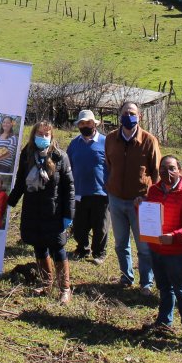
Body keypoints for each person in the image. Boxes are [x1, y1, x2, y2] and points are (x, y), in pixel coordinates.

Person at [8, 121, 76, 304]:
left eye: (47, 134)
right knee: (38, 245)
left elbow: (69, 187)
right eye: (40, 134)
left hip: (54, 212)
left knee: (58, 248)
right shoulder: (27, 154)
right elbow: (21, 182)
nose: (43, 137)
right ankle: (46, 284)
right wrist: (9, 203)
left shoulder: (60, 157)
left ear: (52, 136)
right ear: (33, 135)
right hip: (32, 210)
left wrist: (69, 215)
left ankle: (65, 289)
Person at [141, 155, 182, 347]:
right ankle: (164, 322)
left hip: (176, 251)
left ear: (180, 170)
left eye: (172, 168)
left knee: (181, 290)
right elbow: (147, 218)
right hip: (156, 249)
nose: (167, 172)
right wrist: (138, 207)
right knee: (164, 288)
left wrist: (173, 237)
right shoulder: (154, 190)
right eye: (163, 169)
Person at [105, 101, 161, 294]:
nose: (128, 116)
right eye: (125, 113)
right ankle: (126, 276)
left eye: (132, 113)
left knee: (144, 246)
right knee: (121, 243)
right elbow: (109, 165)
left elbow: (156, 173)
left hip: (140, 202)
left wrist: (148, 197)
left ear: (139, 116)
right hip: (116, 199)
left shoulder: (149, 140)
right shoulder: (111, 139)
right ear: (119, 115)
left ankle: (146, 282)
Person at [66, 110, 109, 264]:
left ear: (94, 123)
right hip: (79, 191)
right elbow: (68, 165)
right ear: (78, 125)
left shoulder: (106, 142)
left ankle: (99, 253)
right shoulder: (74, 144)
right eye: (82, 123)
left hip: (101, 191)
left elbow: (112, 166)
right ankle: (82, 249)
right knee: (80, 225)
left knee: (100, 226)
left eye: (88, 122)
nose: (86, 125)